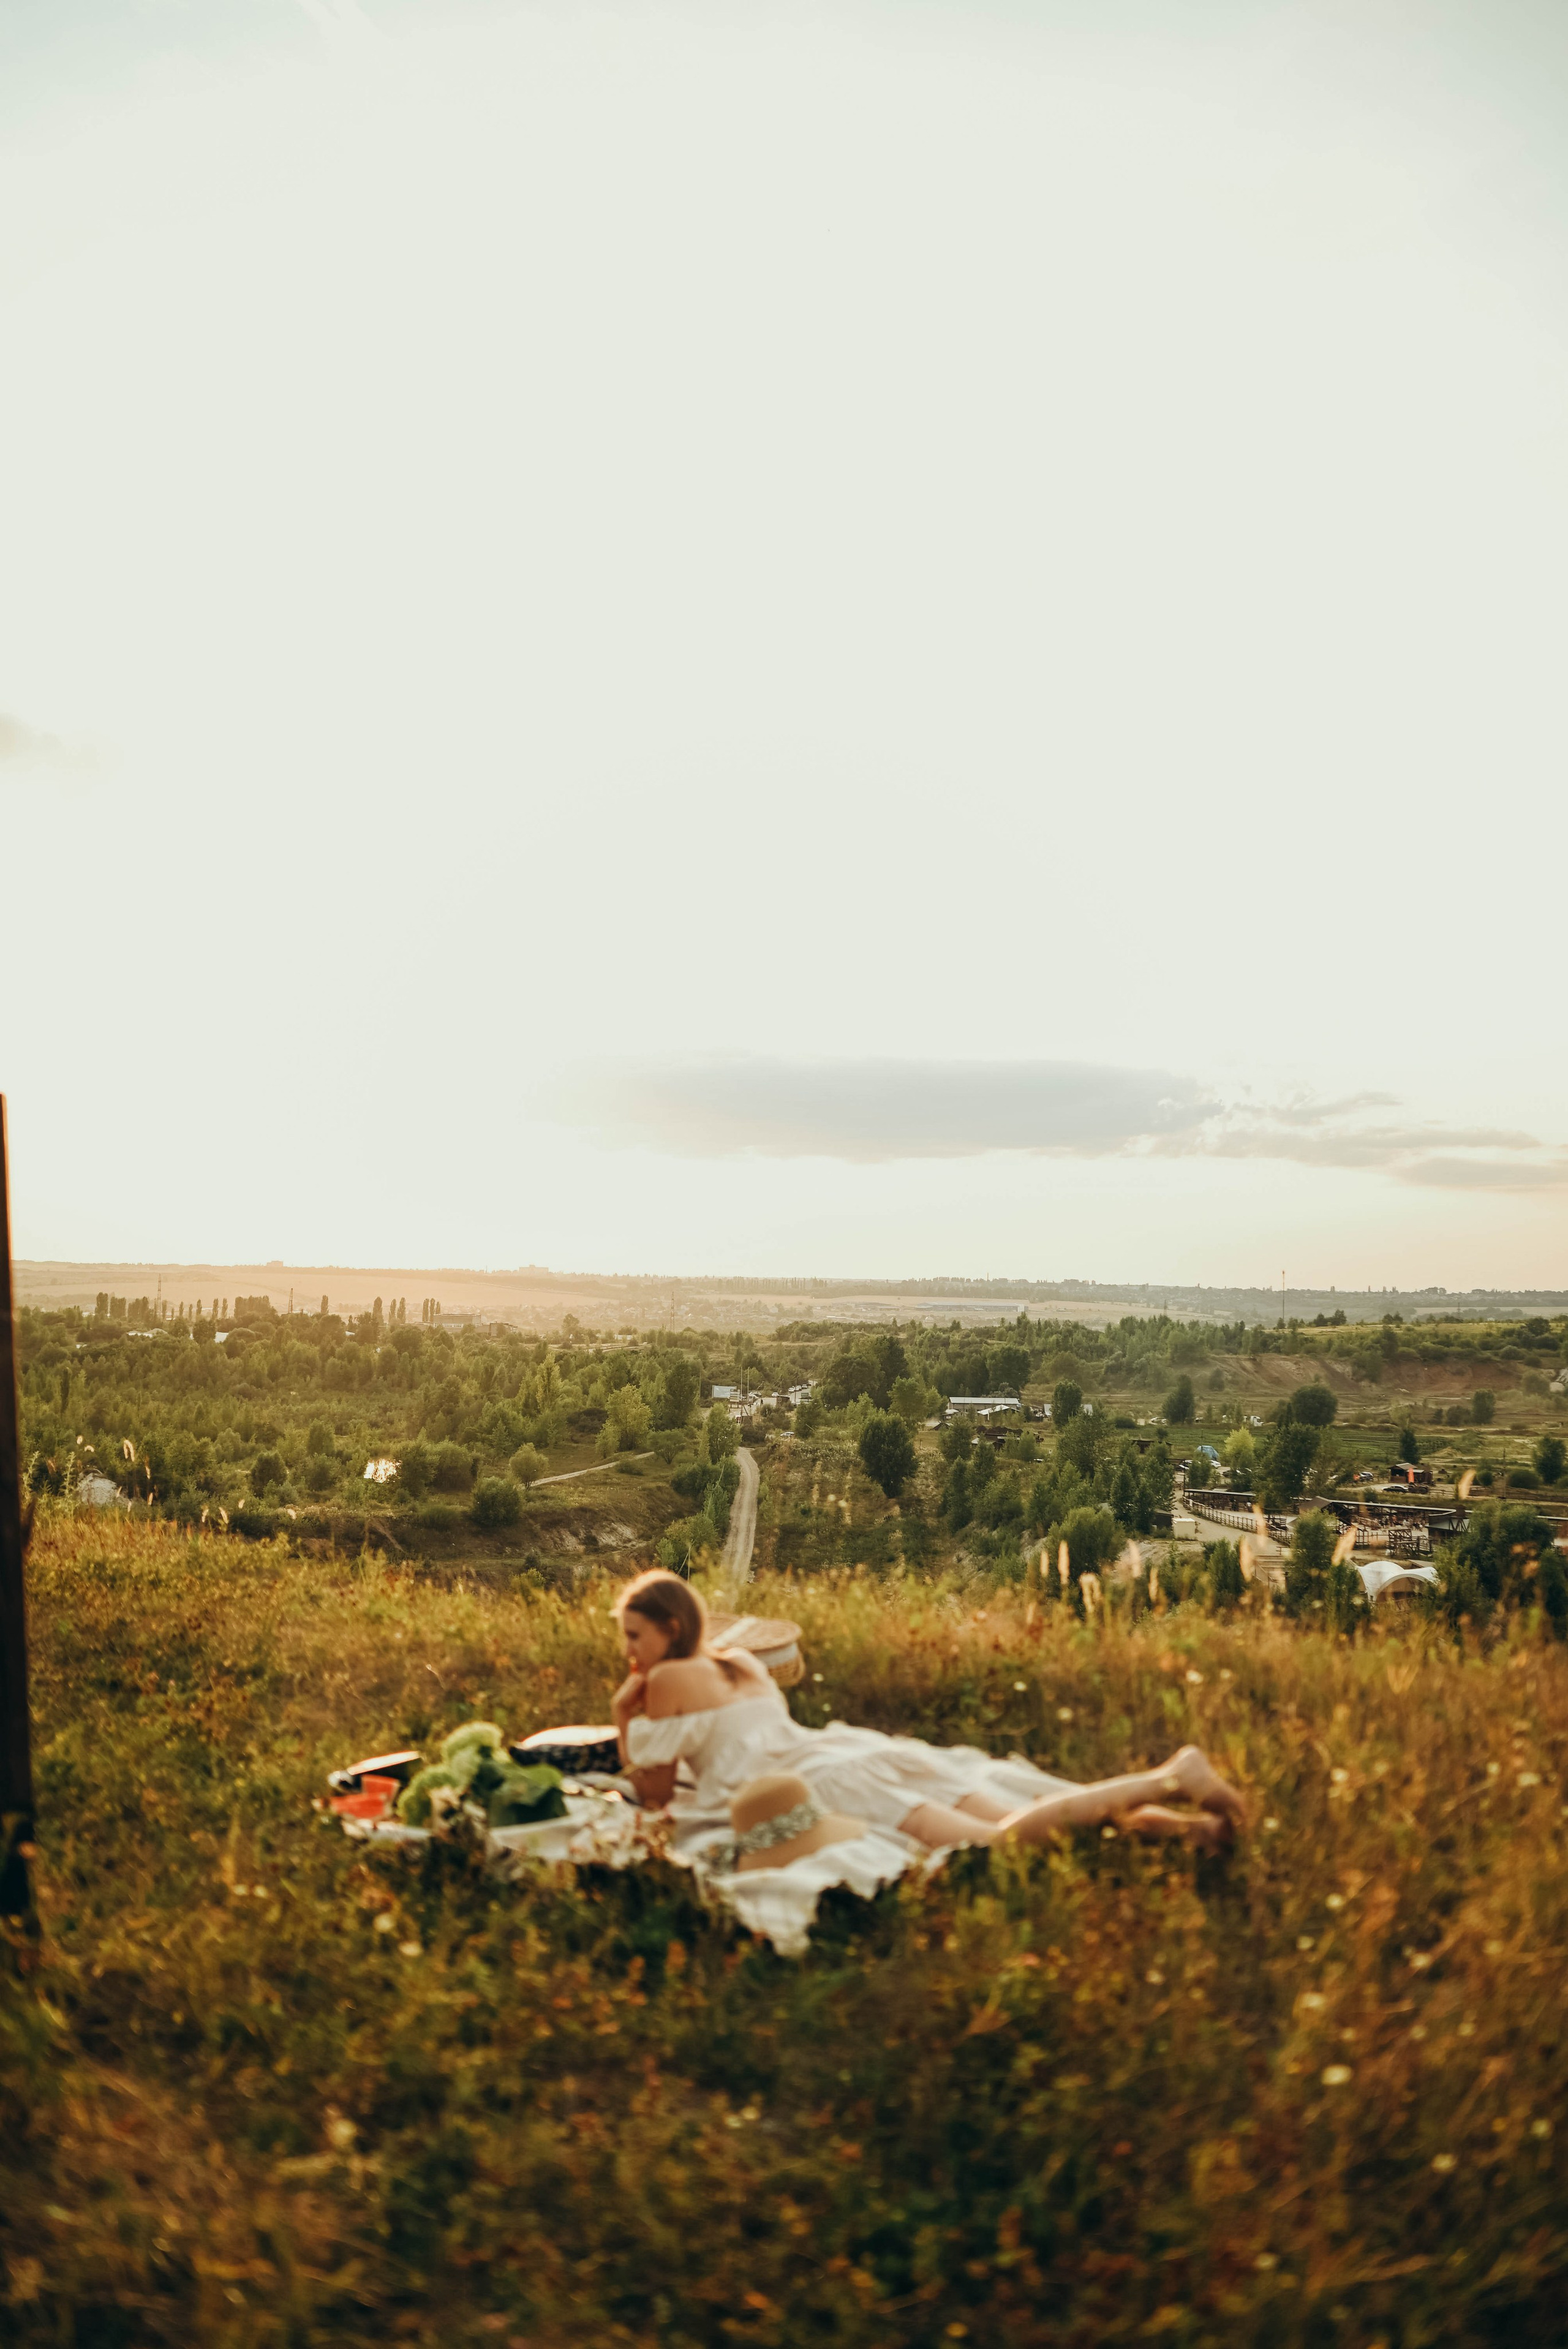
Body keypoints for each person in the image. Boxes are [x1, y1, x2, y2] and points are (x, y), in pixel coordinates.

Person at [611, 1570, 1244, 1860]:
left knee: (998, 1842)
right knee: (1022, 1817)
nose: (628, 1652)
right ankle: (1195, 1834)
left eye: (633, 1636)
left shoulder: (665, 1679)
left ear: (669, 1629)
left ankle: (1171, 1776)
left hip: (828, 1782)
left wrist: (624, 1716)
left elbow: (655, 1795)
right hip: (856, 1751)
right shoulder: (741, 1663)